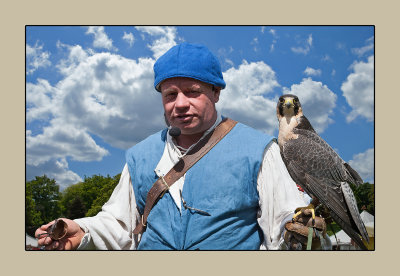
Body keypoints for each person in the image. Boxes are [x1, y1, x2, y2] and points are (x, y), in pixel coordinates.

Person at [35, 42, 328, 250]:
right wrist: (83, 231)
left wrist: (299, 239)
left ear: (215, 92)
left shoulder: (260, 148)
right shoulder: (140, 155)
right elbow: (120, 225)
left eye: (192, 92)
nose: (180, 104)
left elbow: (285, 223)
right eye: (170, 94)